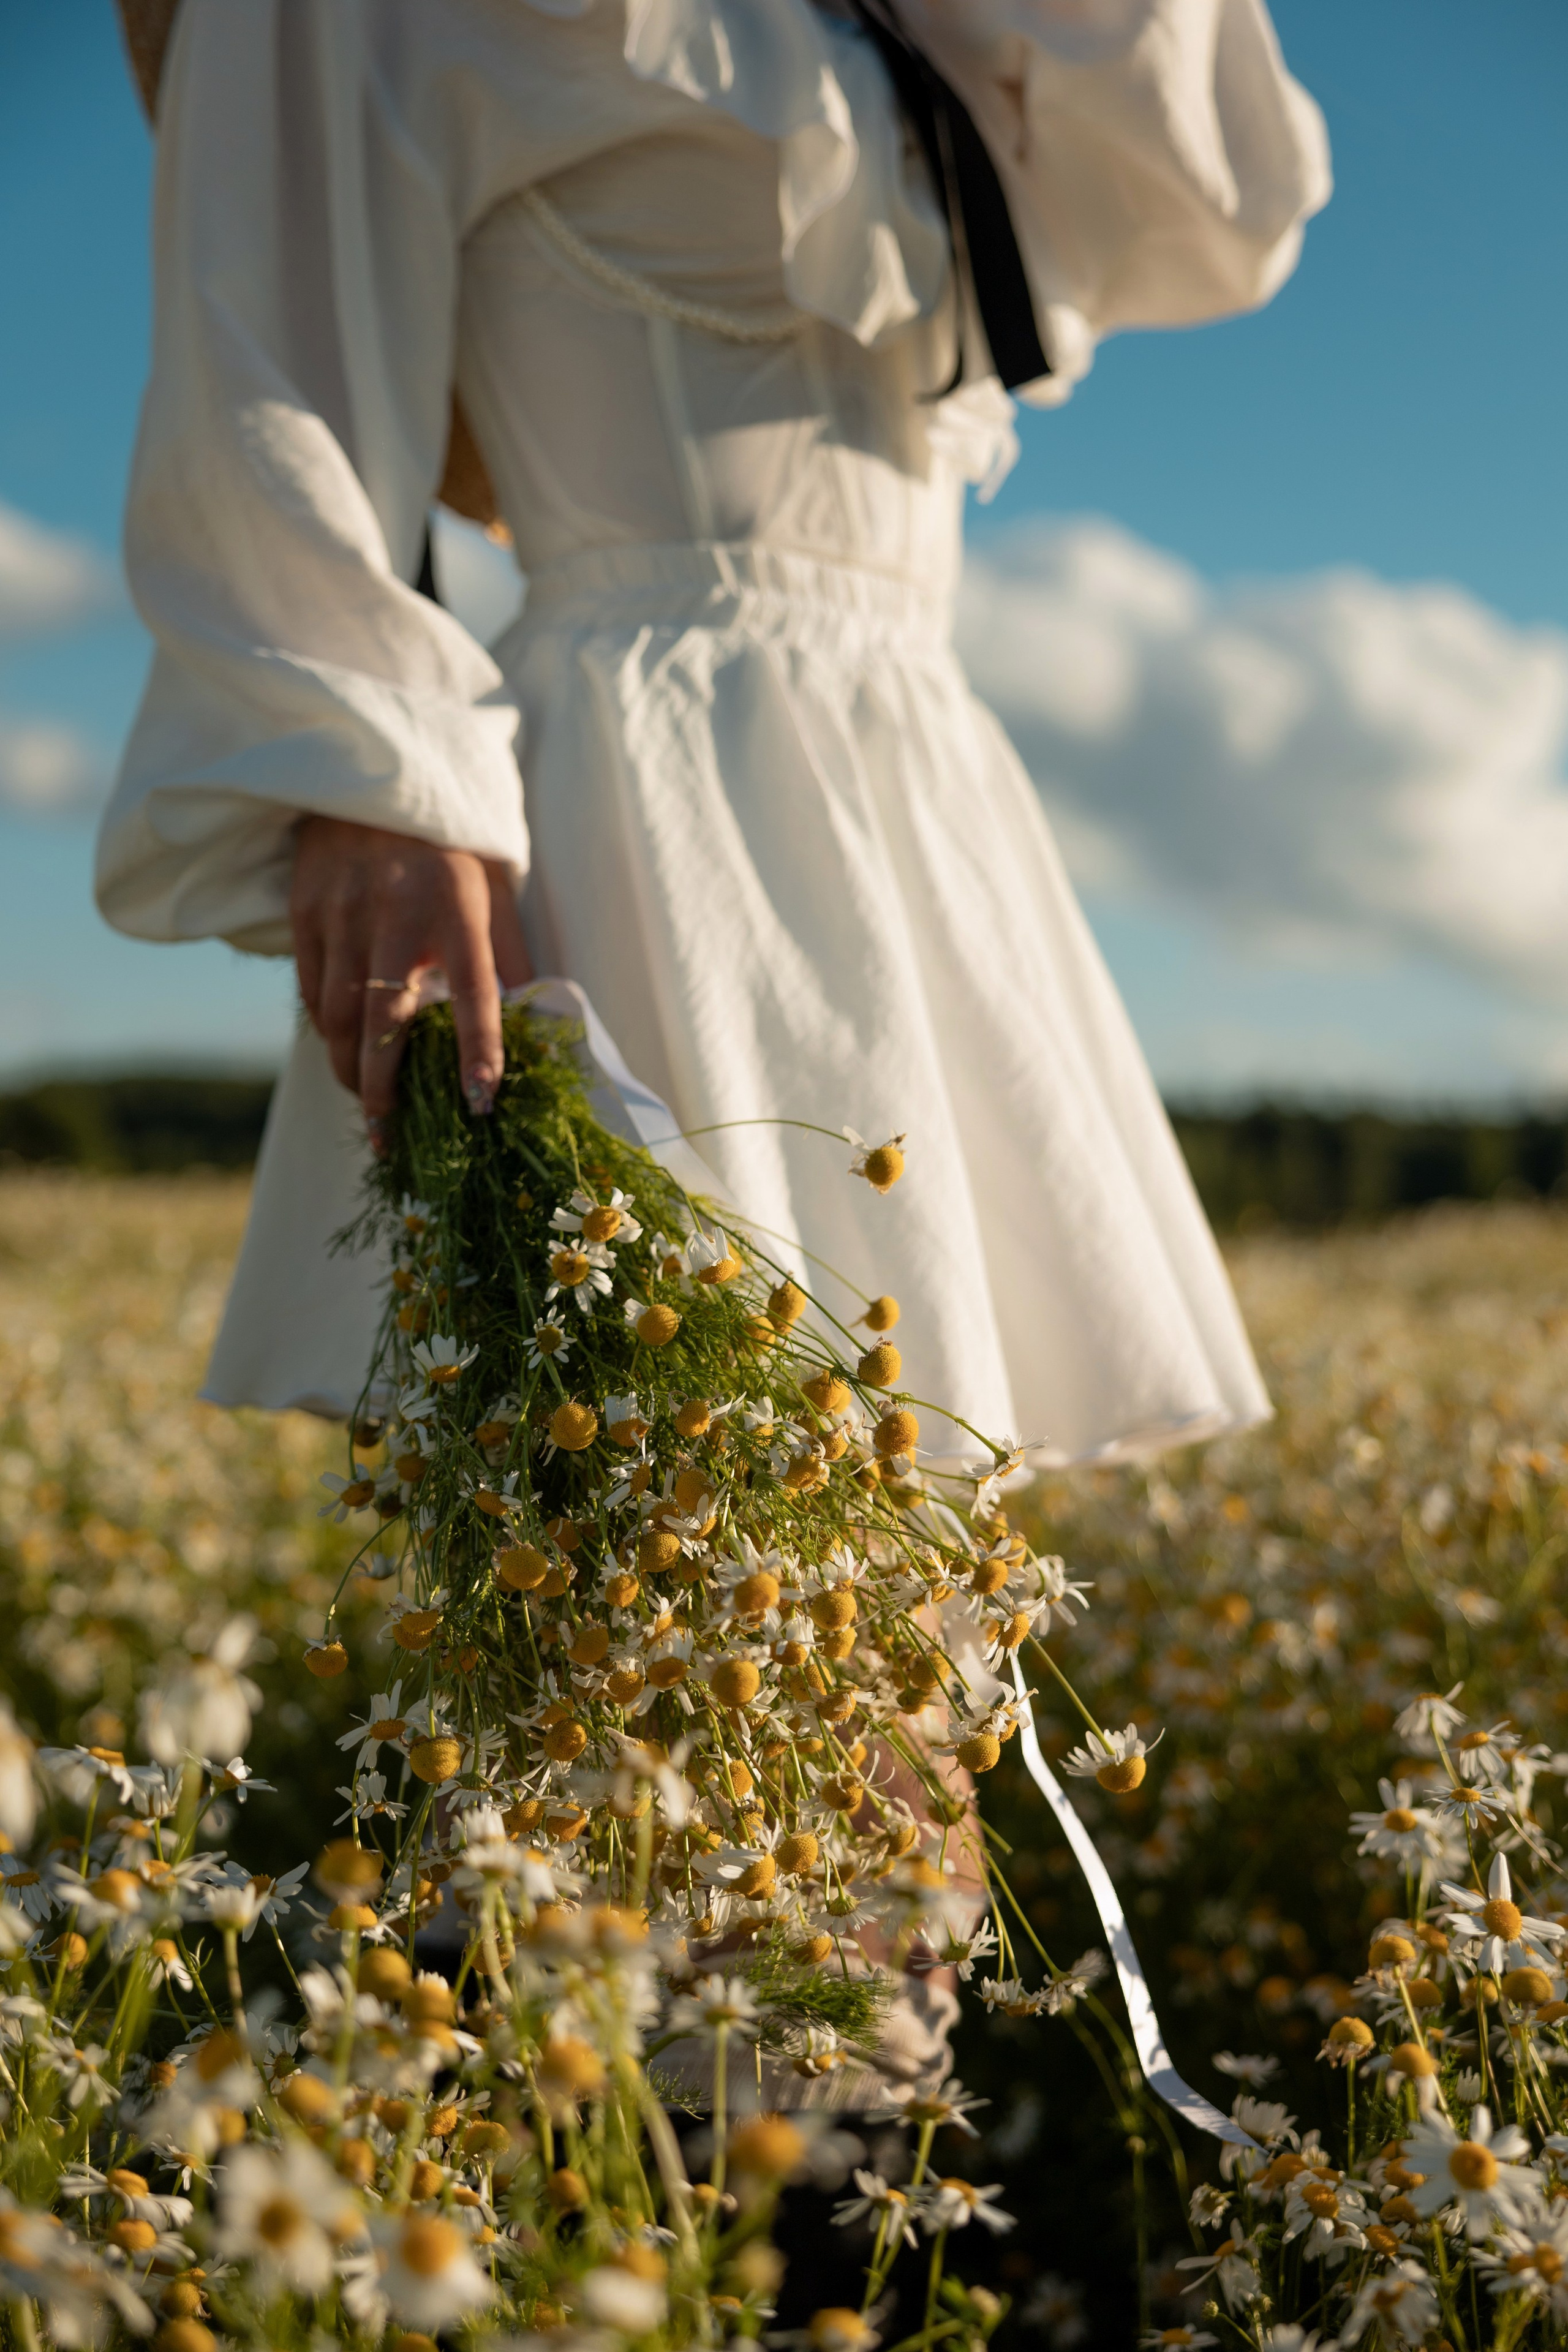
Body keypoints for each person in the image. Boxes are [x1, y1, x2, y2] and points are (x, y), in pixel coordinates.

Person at [98, 0, 1328, 1457]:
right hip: (640, 812)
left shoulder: (914, 23)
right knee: (669, 1499)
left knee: (911, 1511)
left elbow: (1220, 205)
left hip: (918, 786)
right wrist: (372, 766)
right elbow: (259, 358)